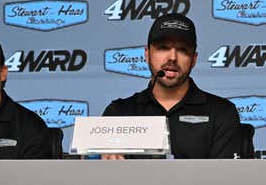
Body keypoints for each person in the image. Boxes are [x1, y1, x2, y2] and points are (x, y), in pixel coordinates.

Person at [102, 13, 241, 159]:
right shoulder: (119, 112)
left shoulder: (221, 113)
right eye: (163, 47)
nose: (172, 58)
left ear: (193, 59)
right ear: (147, 54)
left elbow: (225, 178)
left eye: (182, 50)